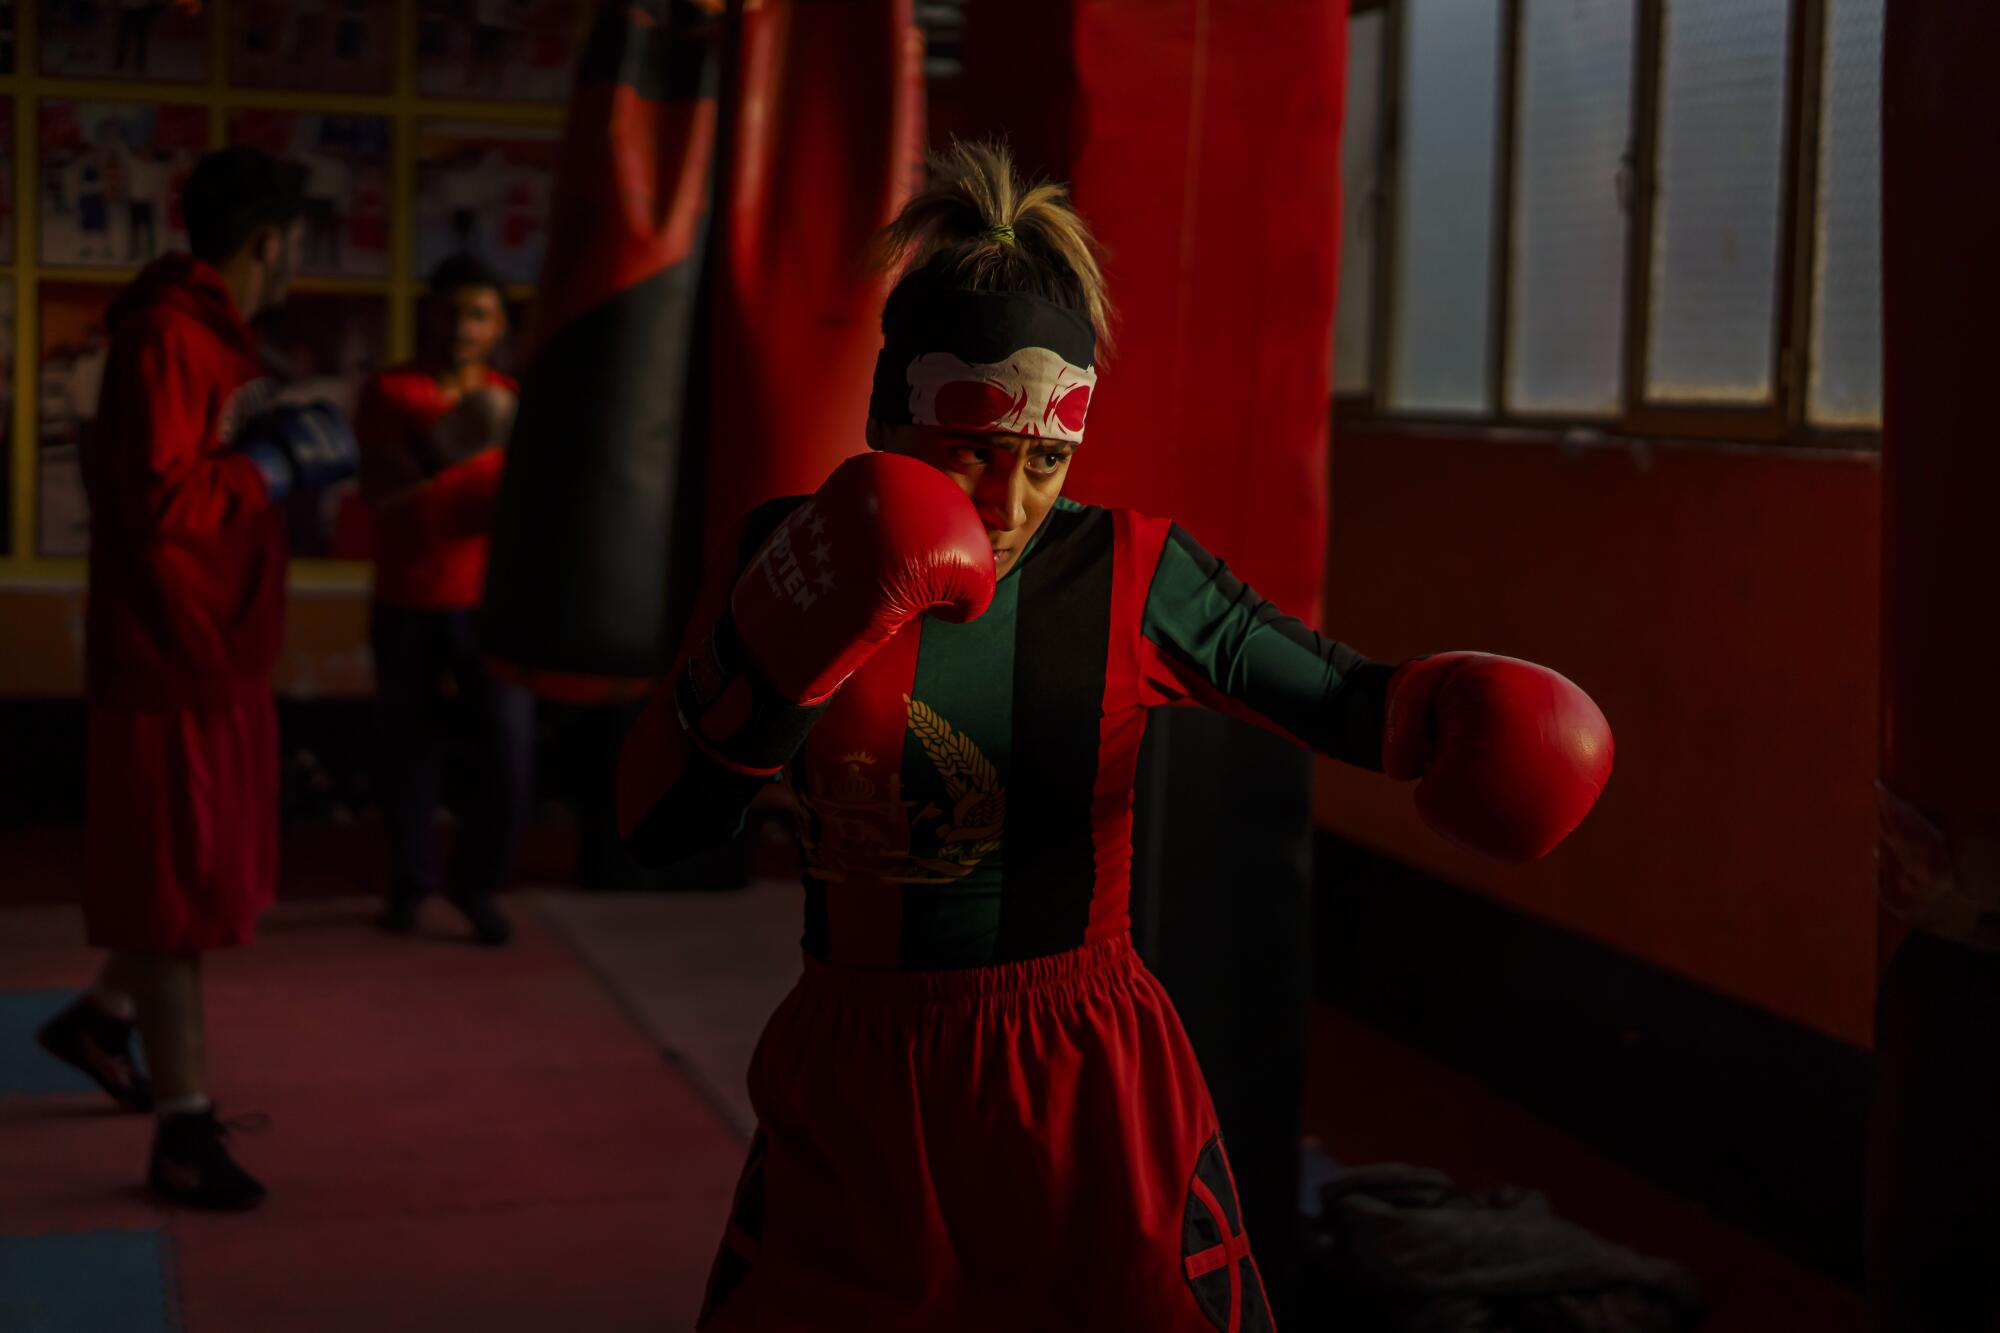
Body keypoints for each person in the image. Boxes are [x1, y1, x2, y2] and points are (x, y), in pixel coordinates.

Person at [615, 141, 1615, 1331]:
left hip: (1075, 1065)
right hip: (857, 1061)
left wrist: (1468, 714)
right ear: (889, 412)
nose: (1010, 496)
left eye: (1044, 458)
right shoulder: (790, 548)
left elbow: (1353, 699)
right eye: (972, 449)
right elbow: (660, 822)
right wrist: (770, 663)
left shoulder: (1133, 571)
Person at [35, 146, 359, 1210]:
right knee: (177, 906)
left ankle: (98, 1021)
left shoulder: (205, 335)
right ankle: (182, 1132)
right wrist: (271, 465)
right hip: (172, 656)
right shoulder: (171, 335)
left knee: (200, 882)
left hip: (211, 649)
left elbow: (177, 474)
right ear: (272, 241)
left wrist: (262, 449)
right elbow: (161, 501)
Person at [356, 253, 531, 946]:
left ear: (496, 326)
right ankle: (411, 881)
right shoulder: (390, 391)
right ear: (429, 313)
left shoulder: (509, 399)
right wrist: (458, 439)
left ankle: (477, 882)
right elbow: (382, 488)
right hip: (405, 599)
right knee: (406, 750)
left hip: (488, 605)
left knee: (510, 755)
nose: (463, 325)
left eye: (480, 313)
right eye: (453, 309)